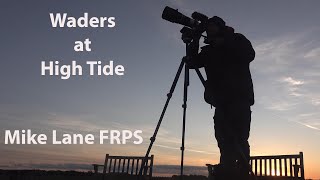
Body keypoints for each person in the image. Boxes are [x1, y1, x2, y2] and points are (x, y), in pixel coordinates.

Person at [187, 16, 255, 179]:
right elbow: (192, 63)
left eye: (212, 26)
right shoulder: (209, 51)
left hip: (239, 100)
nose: (209, 29)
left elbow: (249, 54)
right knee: (223, 141)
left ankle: (243, 173)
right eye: (207, 27)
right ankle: (228, 171)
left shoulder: (237, 39)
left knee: (239, 139)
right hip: (220, 102)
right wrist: (193, 41)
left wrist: (224, 43)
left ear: (221, 27)